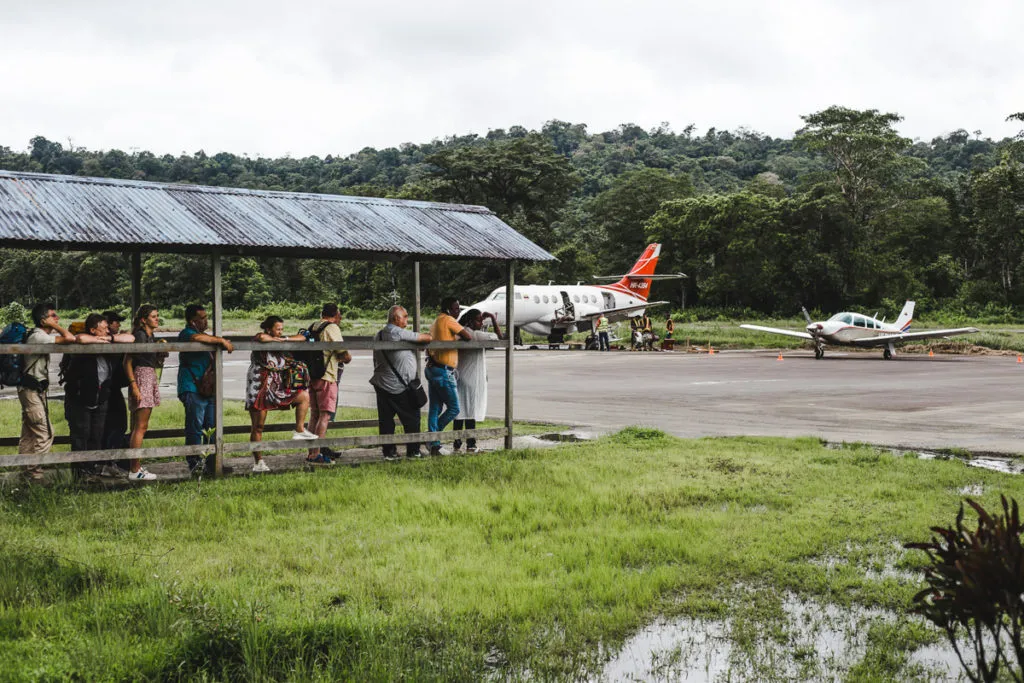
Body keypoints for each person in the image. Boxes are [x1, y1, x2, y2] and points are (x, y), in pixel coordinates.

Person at [64, 313, 134, 479]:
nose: (107, 331)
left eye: (108, 328)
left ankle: (92, 468)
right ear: (93, 330)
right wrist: (99, 341)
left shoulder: (107, 339)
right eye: (103, 329)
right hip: (80, 396)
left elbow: (130, 338)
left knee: (96, 434)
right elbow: (81, 338)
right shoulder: (83, 341)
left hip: (101, 396)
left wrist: (108, 339)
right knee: (81, 434)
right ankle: (80, 473)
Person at [245, 315, 316, 473]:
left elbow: (302, 338)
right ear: (269, 329)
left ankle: (299, 429)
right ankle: (258, 462)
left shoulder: (280, 341)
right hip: (259, 386)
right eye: (278, 329)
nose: (280, 332)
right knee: (258, 426)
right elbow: (261, 337)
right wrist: (278, 340)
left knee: (304, 397)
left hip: (277, 386)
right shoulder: (261, 338)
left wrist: (285, 339)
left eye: (282, 329)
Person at [18, 303, 75, 480]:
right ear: (43, 320)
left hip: (31, 390)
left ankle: (26, 472)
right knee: (45, 433)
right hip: (31, 391)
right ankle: (33, 471)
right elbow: (70, 338)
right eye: (53, 315)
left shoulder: (38, 335)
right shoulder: (39, 336)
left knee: (29, 433)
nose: (57, 318)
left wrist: (51, 323)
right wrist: (55, 326)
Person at [177, 304, 234, 475]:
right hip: (192, 387)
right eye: (201, 318)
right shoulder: (187, 333)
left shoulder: (206, 336)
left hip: (208, 388)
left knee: (211, 426)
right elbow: (196, 338)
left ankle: (213, 464)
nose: (205, 321)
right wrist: (221, 340)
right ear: (192, 321)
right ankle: (195, 464)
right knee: (195, 427)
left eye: (206, 317)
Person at [369, 305, 431, 460]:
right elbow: (426, 338)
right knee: (412, 418)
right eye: (405, 316)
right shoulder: (397, 332)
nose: (407, 319)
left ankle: (389, 452)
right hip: (398, 385)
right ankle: (413, 451)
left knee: (386, 421)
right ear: (396, 318)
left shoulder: (379, 335)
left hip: (382, 382)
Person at [123, 305, 167, 481]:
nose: (157, 319)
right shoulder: (140, 335)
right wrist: (134, 385)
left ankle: (136, 466)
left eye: (157, 316)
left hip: (148, 375)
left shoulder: (150, 336)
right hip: (142, 377)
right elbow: (127, 361)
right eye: (153, 316)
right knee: (140, 426)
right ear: (143, 319)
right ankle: (134, 469)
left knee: (139, 426)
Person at [306, 303, 352, 465]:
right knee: (325, 415)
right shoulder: (332, 328)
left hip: (312, 376)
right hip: (327, 375)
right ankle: (317, 454)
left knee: (314, 415)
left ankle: (311, 452)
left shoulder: (313, 326)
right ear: (336, 315)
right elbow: (343, 353)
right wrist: (347, 357)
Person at [426, 297, 472, 455]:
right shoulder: (449, 320)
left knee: (435, 408)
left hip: (433, 369)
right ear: (448, 309)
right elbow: (468, 336)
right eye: (456, 308)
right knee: (454, 408)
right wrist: (458, 335)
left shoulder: (435, 322)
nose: (458, 311)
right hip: (444, 371)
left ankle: (434, 444)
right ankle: (432, 437)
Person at [452, 309, 501, 453]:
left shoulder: (461, 333)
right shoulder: (477, 335)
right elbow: (499, 337)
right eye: (479, 320)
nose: (481, 323)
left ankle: (457, 442)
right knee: (471, 412)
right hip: (472, 378)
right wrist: (493, 318)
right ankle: (471, 443)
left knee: (459, 411)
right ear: (471, 321)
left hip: (460, 376)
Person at [100, 310, 130, 477]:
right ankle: (110, 461)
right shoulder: (103, 341)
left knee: (113, 425)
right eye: (116, 322)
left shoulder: (113, 339)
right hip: (108, 389)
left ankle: (110, 461)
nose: (118, 324)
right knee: (116, 425)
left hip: (112, 387)